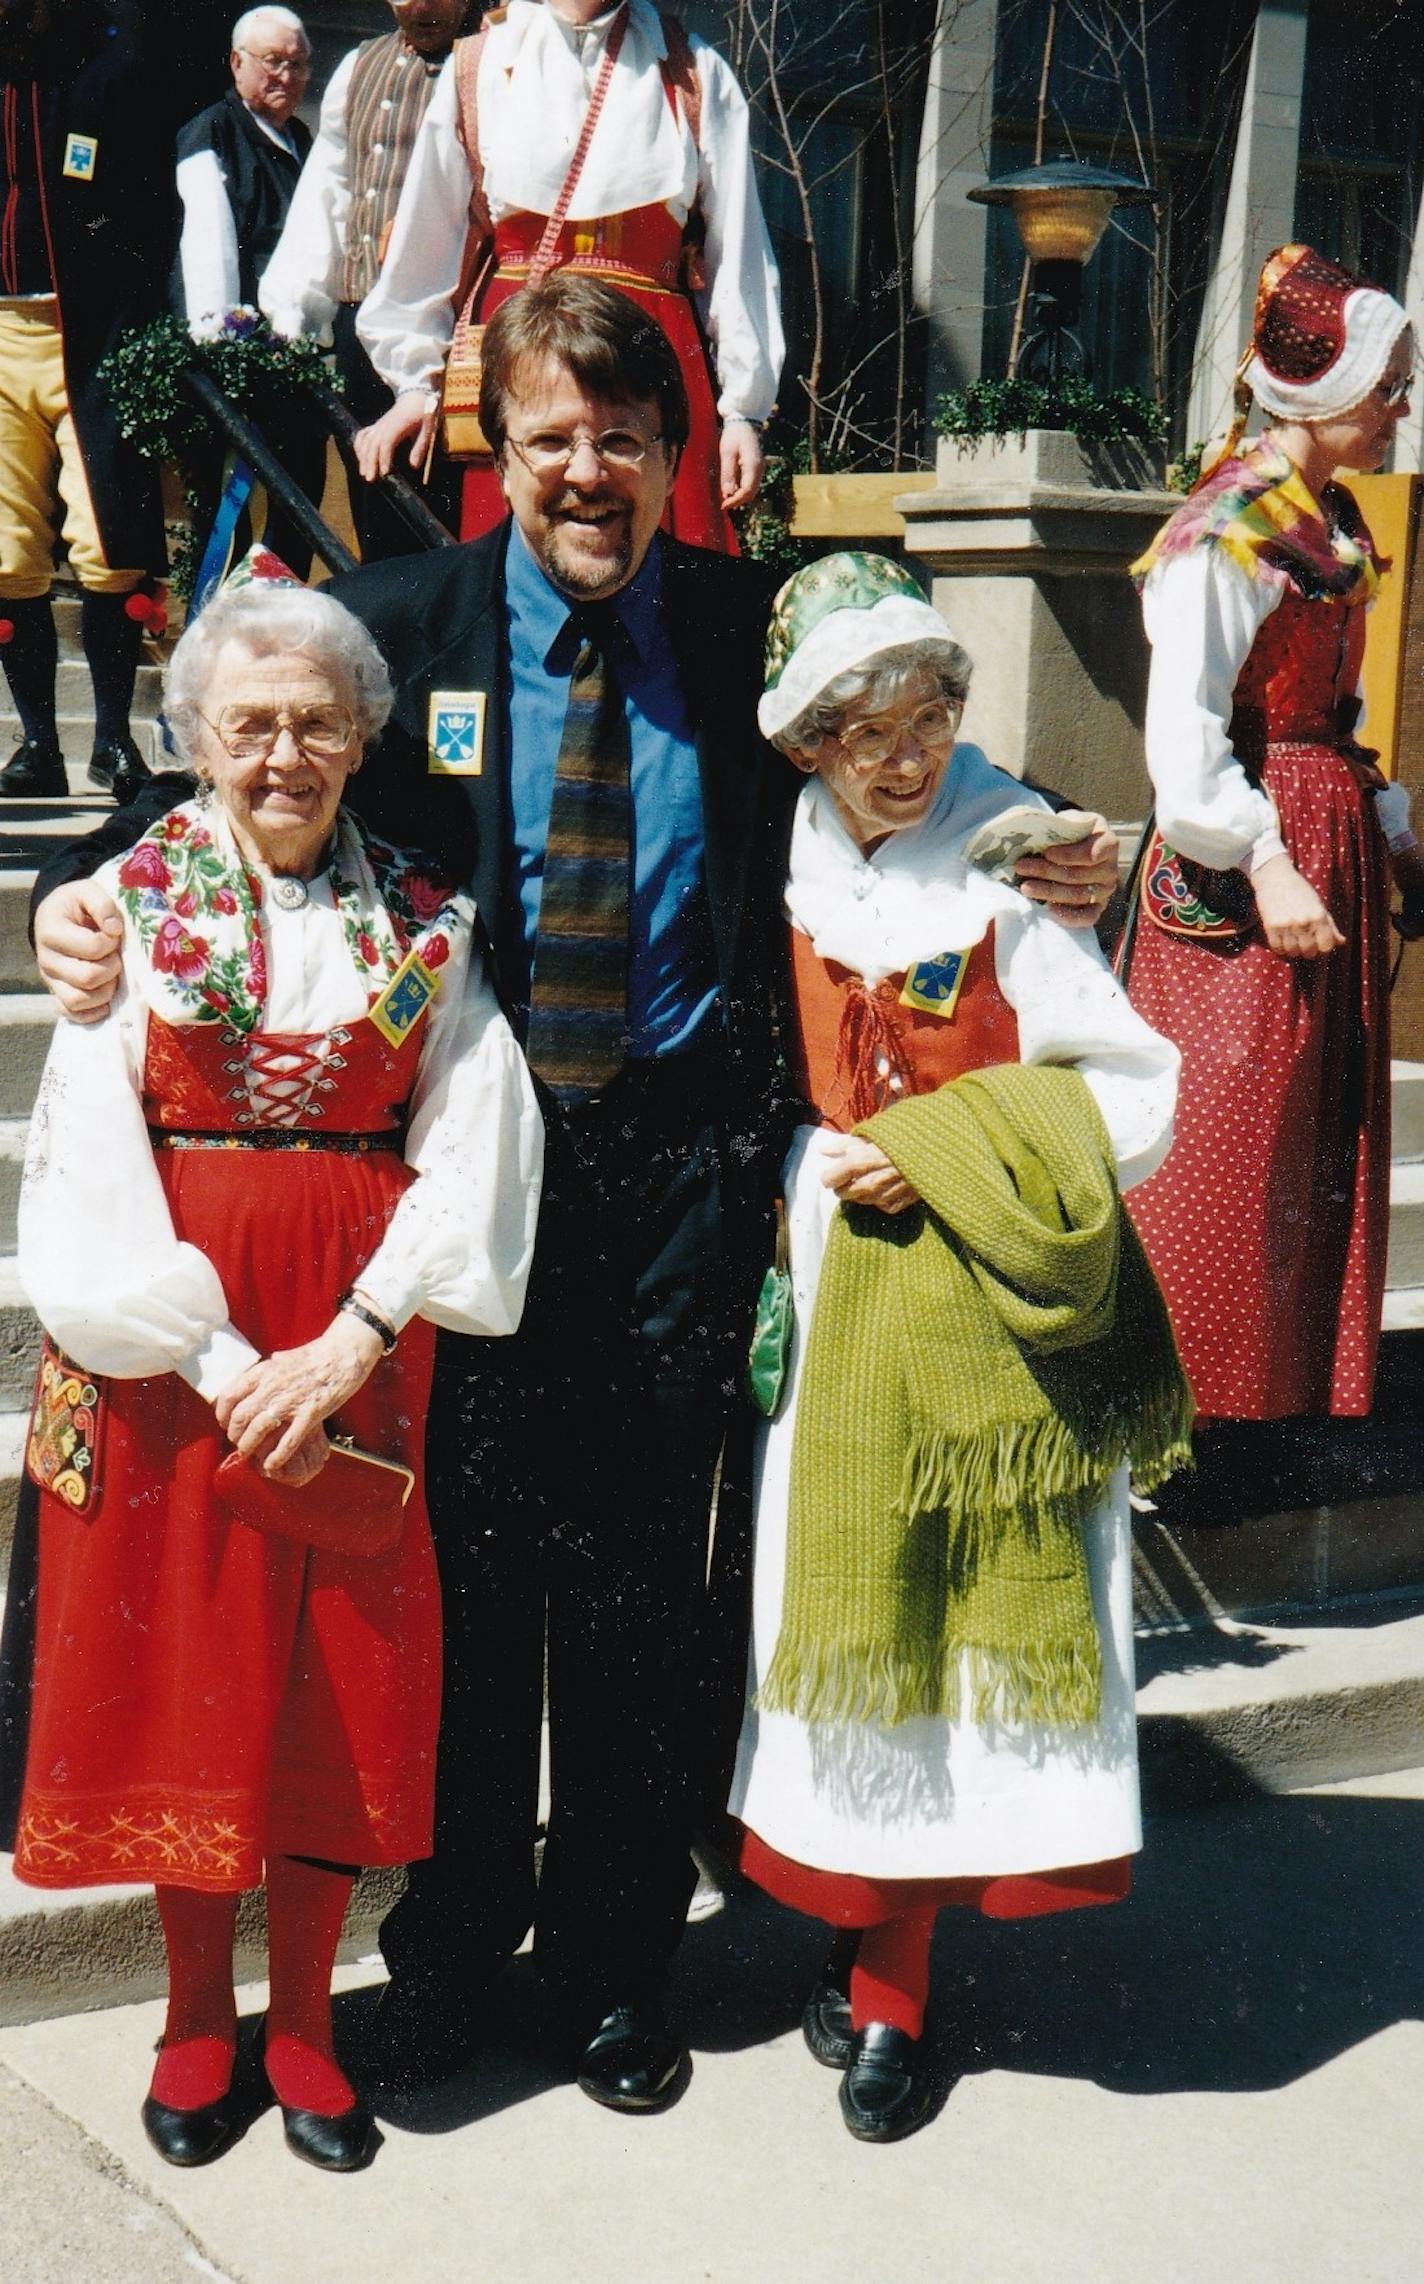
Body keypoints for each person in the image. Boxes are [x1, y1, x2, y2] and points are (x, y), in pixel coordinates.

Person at [24, 276, 1123, 2118]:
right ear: (497, 450)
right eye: (550, 438)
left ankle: (617, 1965)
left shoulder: (732, 619)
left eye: (622, 438)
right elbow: (219, 769)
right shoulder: (398, 620)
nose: (586, 472)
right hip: (454, 1175)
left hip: (672, 1181)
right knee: (457, 1585)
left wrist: (1050, 832)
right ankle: (447, 1960)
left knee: (638, 1601)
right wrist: (82, 881)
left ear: (672, 455)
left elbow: (906, 736)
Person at [9, 578, 542, 2171]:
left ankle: (304, 2020)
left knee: (332, 1680)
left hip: (361, 1345)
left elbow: (476, 1133)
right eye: (248, 726)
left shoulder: (425, 922)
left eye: (317, 724)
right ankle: (192, 2018)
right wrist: (231, 1357)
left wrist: (358, 1335)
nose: (284, 756)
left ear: (367, 736)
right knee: (196, 1672)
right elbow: (89, 1150)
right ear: (195, 742)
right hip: (182, 1363)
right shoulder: (125, 911)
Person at [726, 552, 1188, 2143]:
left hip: (992, 1321)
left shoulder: (1010, 864)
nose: (906, 753)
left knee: (953, 1656)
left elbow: (1136, 1088)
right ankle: (865, 1940)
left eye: (930, 712)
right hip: (841, 1308)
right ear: (806, 741)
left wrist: (949, 1142)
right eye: (865, 726)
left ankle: (897, 1999)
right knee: (859, 1622)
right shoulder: (771, 863)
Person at [1124, 244, 1424, 1457]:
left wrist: (1391, 833)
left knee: (1304, 1138)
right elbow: (1181, 741)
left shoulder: (1327, 519)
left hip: (1319, 838)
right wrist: (1262, 858)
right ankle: (1170, 1427)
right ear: (1318, 385)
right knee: (1222, 1142)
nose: (1400, 406)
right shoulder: (1224, 532)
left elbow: (1334, 723)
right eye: (1385, 383)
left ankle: (1268, 1413)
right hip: (1245, 870)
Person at [351, 0, 784, 552]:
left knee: (662, 573)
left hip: (649, 350)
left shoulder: (692, 70)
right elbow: (424, 242)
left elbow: (739, 251)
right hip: (522, 352)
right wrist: (413, 383)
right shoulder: (480, 66)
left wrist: (744, 411)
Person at [0, 0, 178, 806]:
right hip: (2, 339)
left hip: (91, 339)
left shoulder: (109, 74)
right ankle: (39, 743)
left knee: (110, 550)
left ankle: (112, 741)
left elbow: (154, 211)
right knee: (5, 559)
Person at [259, 0, 473, 558]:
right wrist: (294, 308)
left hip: (457, 330)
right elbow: (327, 191)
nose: (422, 7)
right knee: (377, 512)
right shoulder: (358, 66)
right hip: (362, 324)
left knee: (446, 519)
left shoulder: (493, 61)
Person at [175, 10, 328, 582]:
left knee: (300, 494)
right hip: (233, 362)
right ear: (237, 63)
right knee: (223, 511)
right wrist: (224, 349)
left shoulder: (302, 140)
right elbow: (208, 249)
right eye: (272, 61)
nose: (285, 75)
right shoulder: (211, 132)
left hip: (292, 357)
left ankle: (277, 610)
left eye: (297, 63)